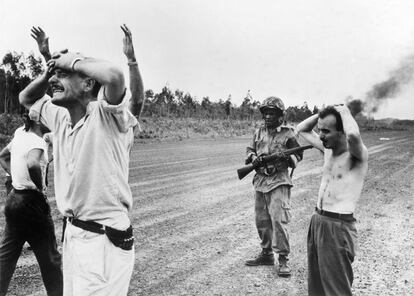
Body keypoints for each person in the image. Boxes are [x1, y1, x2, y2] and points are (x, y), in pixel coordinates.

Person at [20, 26, 142, 295]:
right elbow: (26, 98)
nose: (55, 80)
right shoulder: (59, 116)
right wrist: (49, 69)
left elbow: (114, 76)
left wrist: (69, 60)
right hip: (74, 234)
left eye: (65, 76)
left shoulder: (106, 115)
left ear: (88, 84)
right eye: (57, 75)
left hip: (103, 239)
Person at [296, 105, 368, 296]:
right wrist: (323, 114)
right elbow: (301, 129)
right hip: (318, 220)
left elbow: (353, 137)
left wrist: (344, 111)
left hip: (338, 226)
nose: (320, 135)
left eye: (326, 131)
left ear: (342, 131)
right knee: (317, 286)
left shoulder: (357, 156)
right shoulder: (328, 150)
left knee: (336, 290)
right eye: (320, 130)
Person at [0, 114, 63, 296]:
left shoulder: (20, 133)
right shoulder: (38, 141)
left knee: (6, 257)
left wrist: (15, 176)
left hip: (14, 199)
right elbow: (33, 163)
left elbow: (3, 156)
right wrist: (40, 188)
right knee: (50, 259)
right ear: (37, 119)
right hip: (32, 204)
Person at [244, 96, 303, 277]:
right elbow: (249, 151)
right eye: (266, 113)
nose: (268, 116)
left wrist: (285, 157)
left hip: (279, 180)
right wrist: (255, 159)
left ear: (280, 116)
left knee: (279, 220)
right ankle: (266, 254)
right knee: (261, 220)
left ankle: (283, 258)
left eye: (272, 113)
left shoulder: (289, 133)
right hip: (261, 180)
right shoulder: (258, 132)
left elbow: (297, 157)